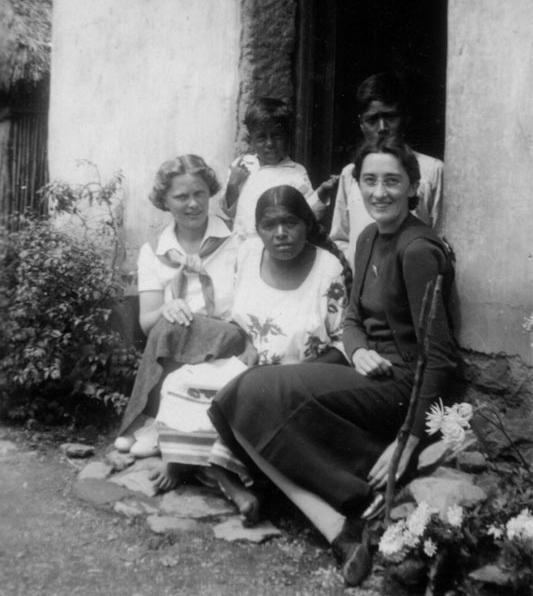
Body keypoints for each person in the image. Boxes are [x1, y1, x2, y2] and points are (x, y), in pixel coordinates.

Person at [208, 139, 457, 586]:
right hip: (366, 371)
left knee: (256, 390)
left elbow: (438, 357)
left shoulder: (418, 249)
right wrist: (358, 348)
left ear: (413, 186)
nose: (380, 192)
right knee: (241, 397)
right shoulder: (367, 237)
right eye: (370, 181)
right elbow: (353, 319)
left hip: (403, 388)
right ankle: (339, 530)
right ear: (356, 185)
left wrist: (410, 437)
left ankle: (357, 492)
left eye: (392, 182)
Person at [155, 184, 351, 517]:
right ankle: (191, 461)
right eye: (269, 225)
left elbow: (343, 342)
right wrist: (245, 342)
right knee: (180, 382)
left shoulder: (327, 269)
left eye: (291, 223)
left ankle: (211, 472)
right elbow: (234, 317)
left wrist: (293, 376)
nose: (281, 234)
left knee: (241, 409)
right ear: (258, 229)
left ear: (307, 224)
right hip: (244, 368)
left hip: (297, 382)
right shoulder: (247, 254)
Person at [115, 155, 245, 490]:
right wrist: (168, 307)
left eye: (199, 193)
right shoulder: (154, 251)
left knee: (174, 328)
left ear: (210, 193)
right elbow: (147, 323)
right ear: (165, 202)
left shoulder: (237, 242)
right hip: (177, 349)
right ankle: (161, 424)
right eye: (181, 197)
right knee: (168, 324)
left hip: (228, 345)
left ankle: (147, 422)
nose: (192, 204)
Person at [330, 72, 444, 270]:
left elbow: (442, 239)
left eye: (390, 117)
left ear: (405, 117)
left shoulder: (432, 171)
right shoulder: (350, 173)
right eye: (372, 120)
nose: (382, 128)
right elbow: (341, 238)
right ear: (361, 124)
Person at [220, 97, 338, 240]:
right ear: (250, 140)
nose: (270, 143)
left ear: (288, 137)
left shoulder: (295, 172)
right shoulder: (242, 165)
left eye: (277, 136)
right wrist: (233, 184)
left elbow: (309, 215)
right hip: (242, 245)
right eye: (262, 137)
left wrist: (322, 192)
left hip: (277, 248)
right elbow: (229, 212)